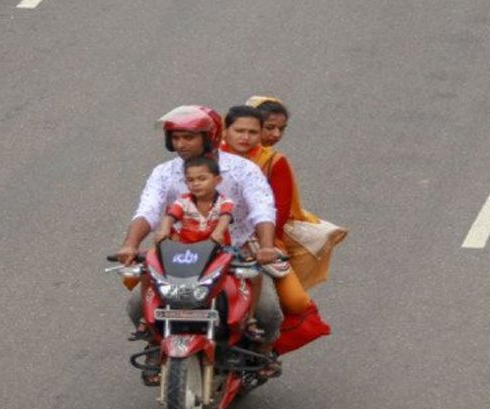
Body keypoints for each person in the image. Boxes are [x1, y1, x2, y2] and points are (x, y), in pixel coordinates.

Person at [116, 105, 282, 382]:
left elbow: (262, 209)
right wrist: (130, 244)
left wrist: (266, 247)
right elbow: (148, 210)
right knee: (137, 307)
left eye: (188, 137)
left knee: (267, 312)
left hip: (234, 254)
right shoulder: (163, 173)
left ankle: (265, 353)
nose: (180, 144)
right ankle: (155, 345)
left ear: (210, 137)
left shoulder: (243, 170)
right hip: (179, 256)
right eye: (176, 138)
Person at [221, 104, 330, 359]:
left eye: (254, 132)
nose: (246, 137)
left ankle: (265, 350)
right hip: (206, 239)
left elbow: (276, 212)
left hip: (257, 242)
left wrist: (264, 244)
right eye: (240, 130)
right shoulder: (208, 158)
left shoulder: (272, 162)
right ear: (224, 130)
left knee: (291, 304)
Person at [154, 156, 233, 245]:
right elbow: (169, 217)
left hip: (217, 249)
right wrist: (164, 230)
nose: (196, 184)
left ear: (217, 180)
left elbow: (225, 217)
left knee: (234, 256)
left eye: (202, 179)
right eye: (190, 180)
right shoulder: (183, 202)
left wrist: (218, 232)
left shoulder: (224, 202)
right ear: (186, 183)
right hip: (188, 249)